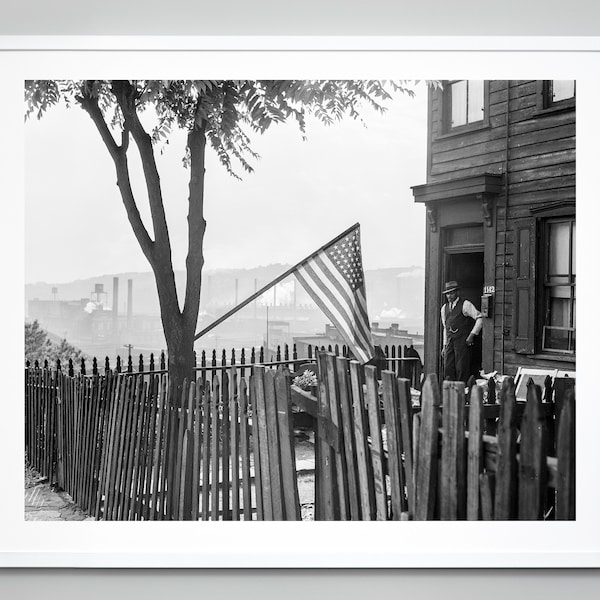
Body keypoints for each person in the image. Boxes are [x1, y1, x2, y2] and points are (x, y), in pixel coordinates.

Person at [440, 280, 483, 384]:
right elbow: (445, 327)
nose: (449, 296)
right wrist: (444, 345)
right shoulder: (444, 308)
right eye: (447, 294)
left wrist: (472, 335)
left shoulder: (465, 305)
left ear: (457, 292)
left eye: (452, 293)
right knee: (448, 367)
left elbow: (480, 318)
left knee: (462, 367)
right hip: (450, 342)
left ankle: (463, 393)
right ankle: (449, 393)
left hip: (462, 342)